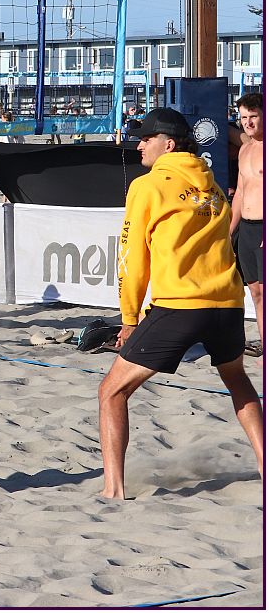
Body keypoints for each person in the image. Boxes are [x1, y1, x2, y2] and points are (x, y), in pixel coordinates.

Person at [99, 107, 264, 499]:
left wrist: (129, 318)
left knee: (111, 392)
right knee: (237, 379)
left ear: (168, 144)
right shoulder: (212, 184)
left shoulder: (147, 186)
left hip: (181, 304)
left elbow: (131, 258)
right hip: (228, 302)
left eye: (146, 138)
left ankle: (113, 489)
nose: (139, 145)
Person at [230, 92, 264, 345]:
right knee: (255, 292)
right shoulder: (245, 149)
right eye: (243, 118)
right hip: (247, 229)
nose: (248, 123)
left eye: (253, 116)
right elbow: (241, 192)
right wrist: (230, 230)